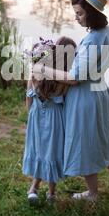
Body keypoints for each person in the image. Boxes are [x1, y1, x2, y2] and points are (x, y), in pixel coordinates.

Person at [33, 0, 109, 202]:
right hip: (100, 92)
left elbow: (74, 77)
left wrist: (43, 70)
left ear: (92, 13)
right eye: (75, 12)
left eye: (79, 13)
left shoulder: (92, 40)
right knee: (104, 140)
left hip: (85, 98)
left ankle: (93, 194)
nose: (76, 18)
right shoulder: (108, 33)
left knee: (86, 144)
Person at [23, 37, 76, 203]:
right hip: (55, 120)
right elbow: (67, 100)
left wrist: (30, 116)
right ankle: (51, 193)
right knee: (52, 152)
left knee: (39, 150)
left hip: (36, 116)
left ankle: (34, 189)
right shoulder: (63, 82)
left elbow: (28, 99)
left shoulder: (34, 76)